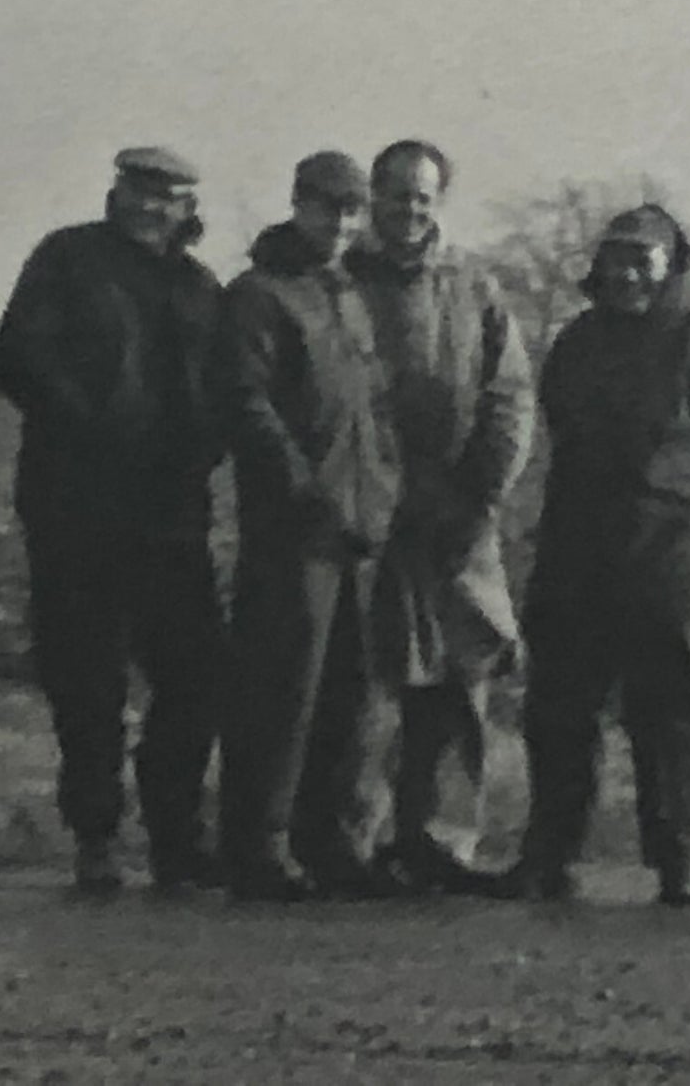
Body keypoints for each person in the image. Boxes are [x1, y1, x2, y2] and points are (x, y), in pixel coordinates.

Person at [510, 204, 690, 907]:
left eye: (640, 262)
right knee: (560, 707)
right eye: (613, 262)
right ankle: (549, 855)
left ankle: (676, 860)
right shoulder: (573, 343)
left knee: (669, 710)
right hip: (575, 550)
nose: (625, 276)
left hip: (666, 554)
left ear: (667, 269)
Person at [0, 147, 225, 895]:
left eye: (171, 197)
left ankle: (174, 836)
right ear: (116, 191)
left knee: (193, 677)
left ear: (189, 209)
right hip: (76, 500)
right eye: (141, 191)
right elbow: (20, 356)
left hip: (172, 508)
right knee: (87, 681)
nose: (153, 208)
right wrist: (92, 428)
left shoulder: (200, 287)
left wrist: (200, 450)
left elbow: (226, 385)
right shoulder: (66, 258)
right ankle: (96, 837)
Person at [348, 139, 536, 893]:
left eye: (423, 196)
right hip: (367, 508)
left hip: (457, 511)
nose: (408, 208)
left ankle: (441, 841)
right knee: (365, 679)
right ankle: (353, 841)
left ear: (439, 204)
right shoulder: (341, 279)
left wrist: (479, 494)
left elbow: (509, 395)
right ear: (373, 196)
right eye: (395, 193)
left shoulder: (473, 286)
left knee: (460, 675)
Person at [218, 151, 402, 901]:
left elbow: (373, 409)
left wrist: (382, 498)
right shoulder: (258, 295)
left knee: (349, 693)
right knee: (280, 690)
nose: (341, 223)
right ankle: (256, 847)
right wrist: (304, 495)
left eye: (353, 210)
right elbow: (247, 405)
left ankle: (331, 845)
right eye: (328, 207)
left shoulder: (350, 294)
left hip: (360, 529)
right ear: (297, 203)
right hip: (294, 529)